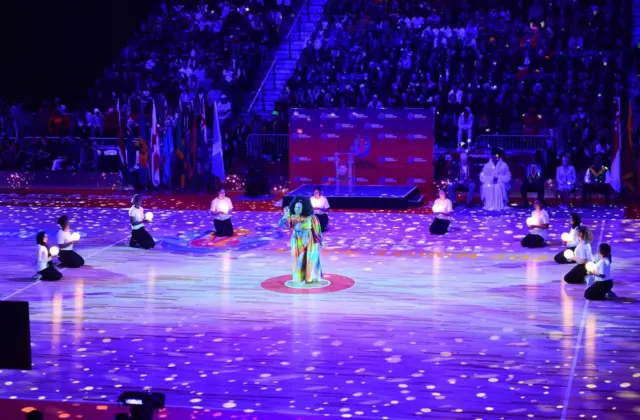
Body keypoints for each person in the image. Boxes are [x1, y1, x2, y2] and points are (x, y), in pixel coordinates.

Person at [278, 197, 323, 283]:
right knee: (299, 259)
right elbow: (284, 226)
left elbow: (317, 229)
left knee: (311, 259)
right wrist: (285, 215)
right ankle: (299, 278)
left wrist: (320, 241)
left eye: (299, 207)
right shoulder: (292, 217)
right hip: (296, 240)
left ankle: (310, 277)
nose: (297, 209)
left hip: (310, 240)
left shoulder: (311, 217)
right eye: (296, 207)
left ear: (304, 208)